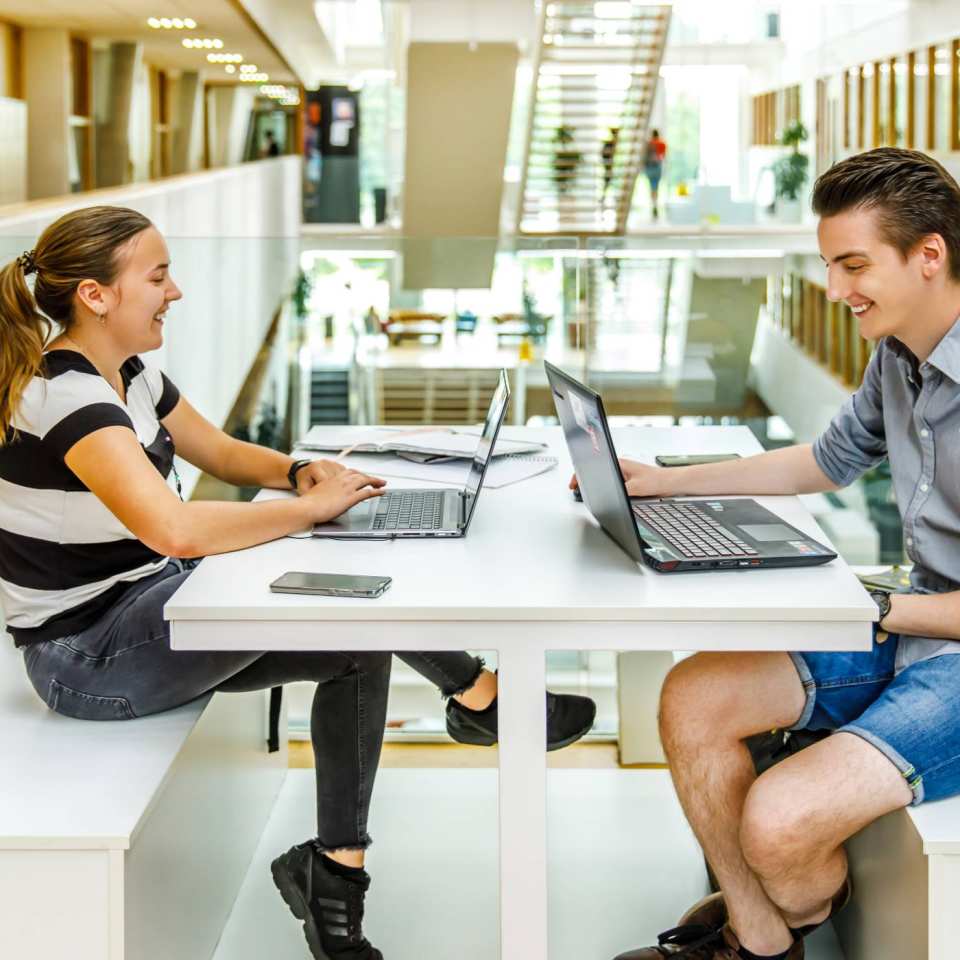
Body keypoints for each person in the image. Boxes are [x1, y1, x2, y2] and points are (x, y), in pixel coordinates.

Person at [0, 205, 596, 960]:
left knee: (357, 645)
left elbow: (217, 451)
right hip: (86, 655)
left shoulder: (129, 373)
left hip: (148, 600)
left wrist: (294, 473)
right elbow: (175, 530)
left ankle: (335, 881)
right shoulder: (67, 395)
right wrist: (309, 512)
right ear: (96, 295)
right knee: (328, 577)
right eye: (157, 276)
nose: (174, 291)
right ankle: (481, 697)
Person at [601, 147, 960, 960]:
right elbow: (822, 463)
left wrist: (867, 604)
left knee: (779, 821)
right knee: (693, 695)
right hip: (913, 619)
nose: (836, 290)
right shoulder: (899, 357)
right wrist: (667, 483)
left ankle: (788, 912)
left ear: (929, 254)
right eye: (832, 265)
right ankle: (761, 942)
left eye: (854, 265)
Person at [643, 128, 667, 220]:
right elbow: (663, 156)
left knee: (651, 186)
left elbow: (644, 157)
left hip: (649, 168)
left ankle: (653, 204)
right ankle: (655, 204)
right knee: (656, 187)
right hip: (657, 168)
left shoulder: (648, 144)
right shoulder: (662, 143)